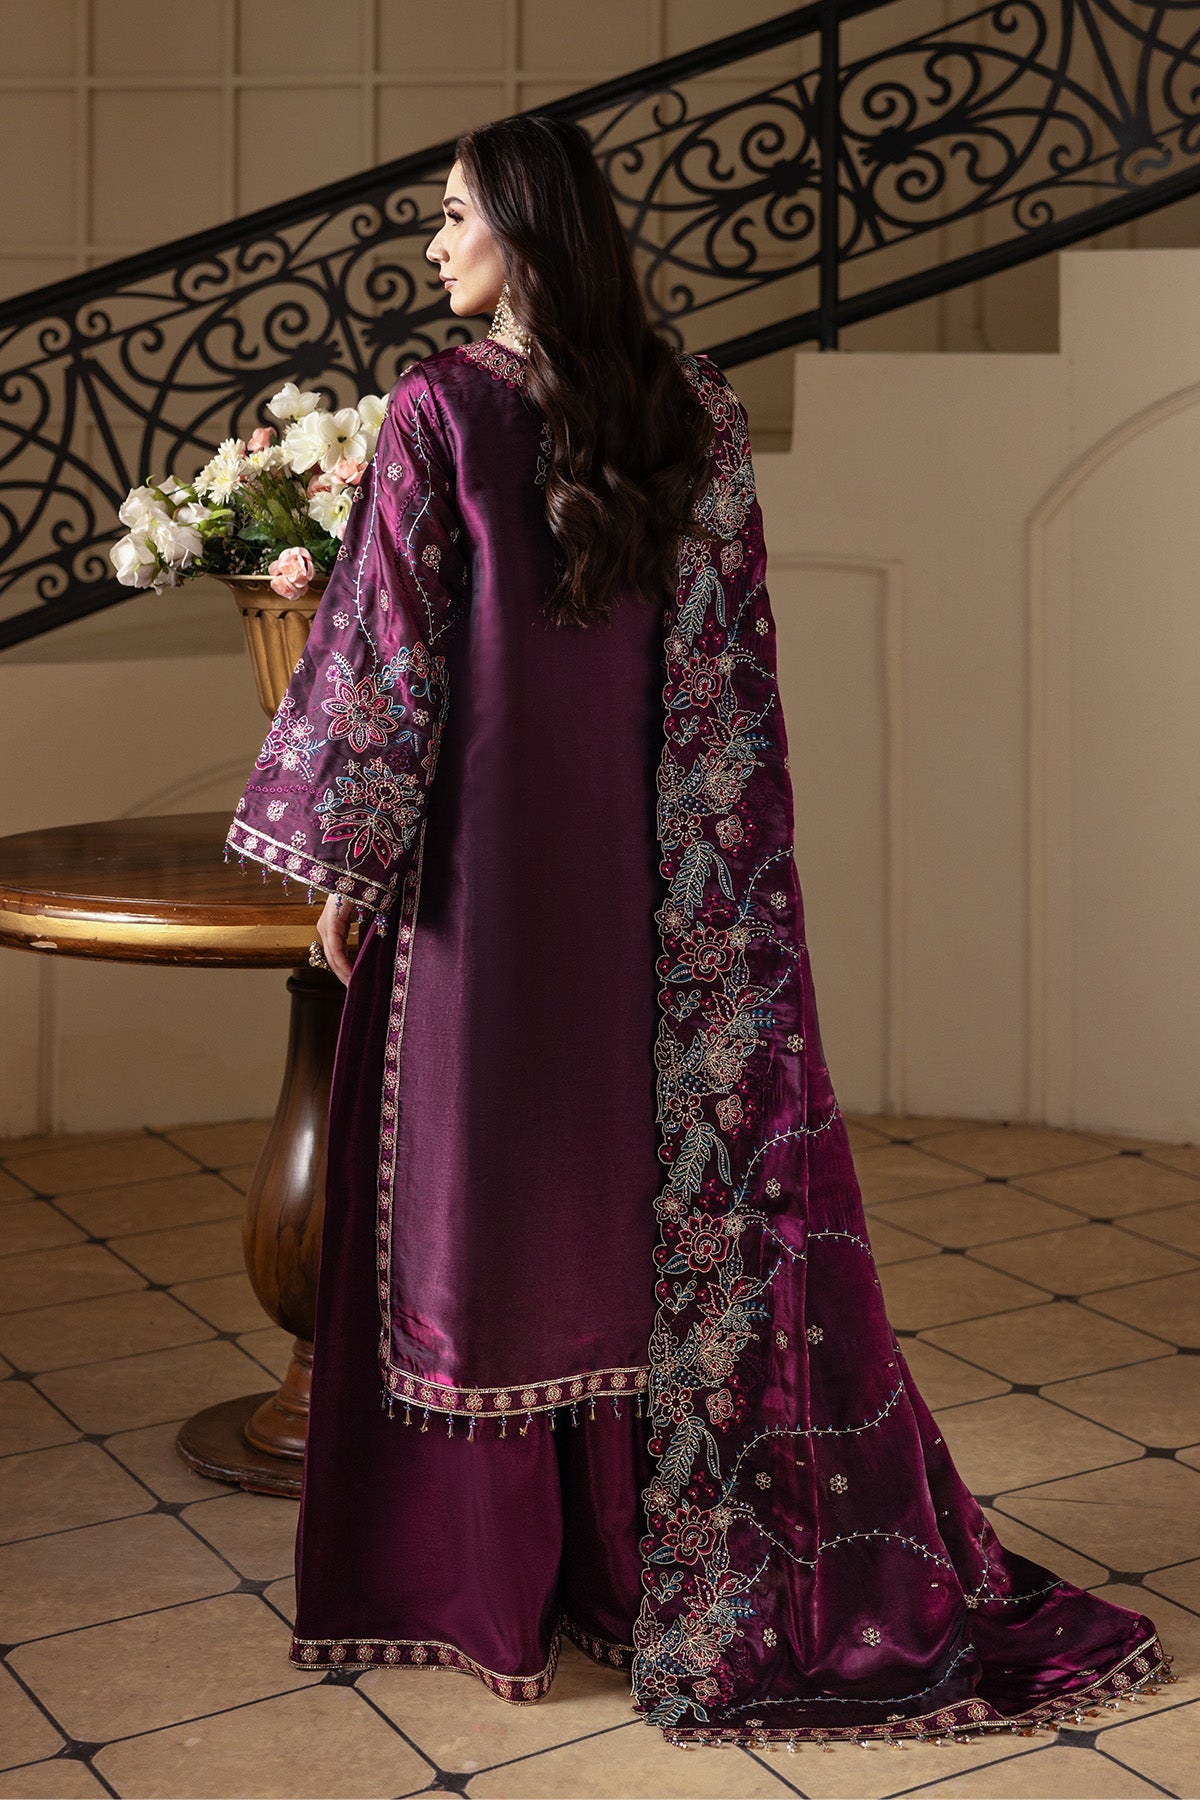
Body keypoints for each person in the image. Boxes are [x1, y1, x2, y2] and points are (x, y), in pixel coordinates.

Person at [227, 114, 1167, 1751]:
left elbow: (392, 656)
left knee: (472, 1208)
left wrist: (345, 865)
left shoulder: (440, 408)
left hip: (479, 880)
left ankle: (485, 1595)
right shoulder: (693, 408)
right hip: (649, 882)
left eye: (453, 215)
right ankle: (624, 1572)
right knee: (618, 1203)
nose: (434, 244)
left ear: (524, 228)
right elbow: (727, 672)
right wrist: (713, 899)